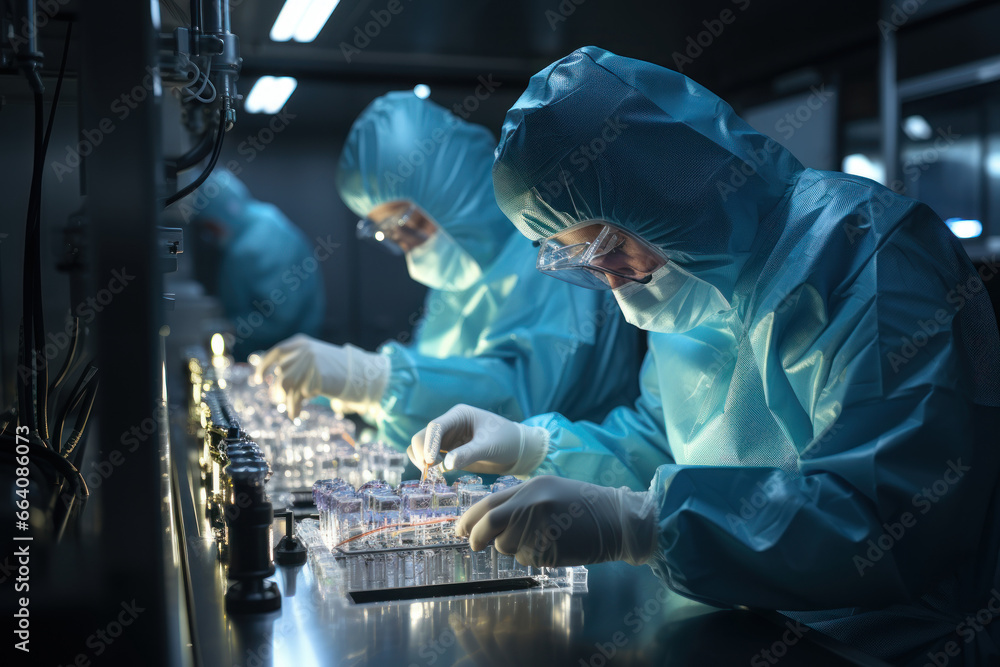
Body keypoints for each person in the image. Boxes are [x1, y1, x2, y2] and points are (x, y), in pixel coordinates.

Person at [408, 47, 1000, 664]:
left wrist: (639, 524)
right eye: (577, 259)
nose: (608, 279)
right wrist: (535, 448)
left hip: (892, 643)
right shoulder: (684, 288)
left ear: (670, 188)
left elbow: (883, 517)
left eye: (606, 245)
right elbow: (667, 444)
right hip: (753, 619)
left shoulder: (862, 256)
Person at [255, 92, 641, 453]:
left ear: (452, 192)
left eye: (406, 224)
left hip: (564, 487)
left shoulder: (553, 256)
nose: (406, 245)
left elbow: (518, 400)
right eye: (388, 235)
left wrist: (371, 377)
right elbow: (438, 376)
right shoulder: (460, 276)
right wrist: (345, 392)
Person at [187, 169, 325, 359]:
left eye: (210, 226)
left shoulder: (252, 248)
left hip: (282, 357)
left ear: (218, 218)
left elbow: (279, 319)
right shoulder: (265, 219)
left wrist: (231, 329)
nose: (209, 235)